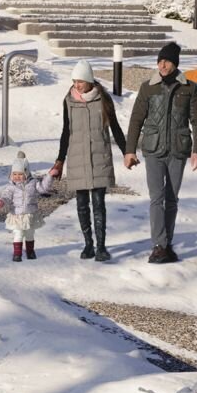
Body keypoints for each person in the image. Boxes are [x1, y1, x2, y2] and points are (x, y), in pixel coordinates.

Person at [124, 42, 197, 264]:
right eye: (159, 61)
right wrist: (129, 150)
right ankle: (158, 245)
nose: (162, 64)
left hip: (178, 150)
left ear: (175, 63)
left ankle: (167, 243)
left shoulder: (189, 87)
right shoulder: (148, 87)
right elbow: (136, 119)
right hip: (153, 149)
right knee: (156, 198)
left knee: (172, 199)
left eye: (166, 61)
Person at [51, 60, 133, 262]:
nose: (77, 85)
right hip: (77, 158)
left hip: (99, 157)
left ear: (89, 80)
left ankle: (101, 247)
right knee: (81, 204)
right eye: (74, 81)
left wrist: (126, 151)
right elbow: (65, 132)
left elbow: (115, 128)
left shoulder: (103, 100)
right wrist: (60, 160)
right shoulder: (68, 101)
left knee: (98, 203)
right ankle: (88, 244)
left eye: (80, 81)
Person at [0, 151, 55, 261]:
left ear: (26, 173)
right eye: (15, 174)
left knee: (29, 234)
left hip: (30, 215)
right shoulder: (11, 187)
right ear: (11, 175)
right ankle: (17, 254)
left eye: (20, 174)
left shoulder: (33, 183)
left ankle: (30, 252)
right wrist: (2, 201)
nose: (17, 177)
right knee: (18, 233)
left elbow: (43, 188)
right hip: (17, 215)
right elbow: (6, 196)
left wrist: (50, 176)